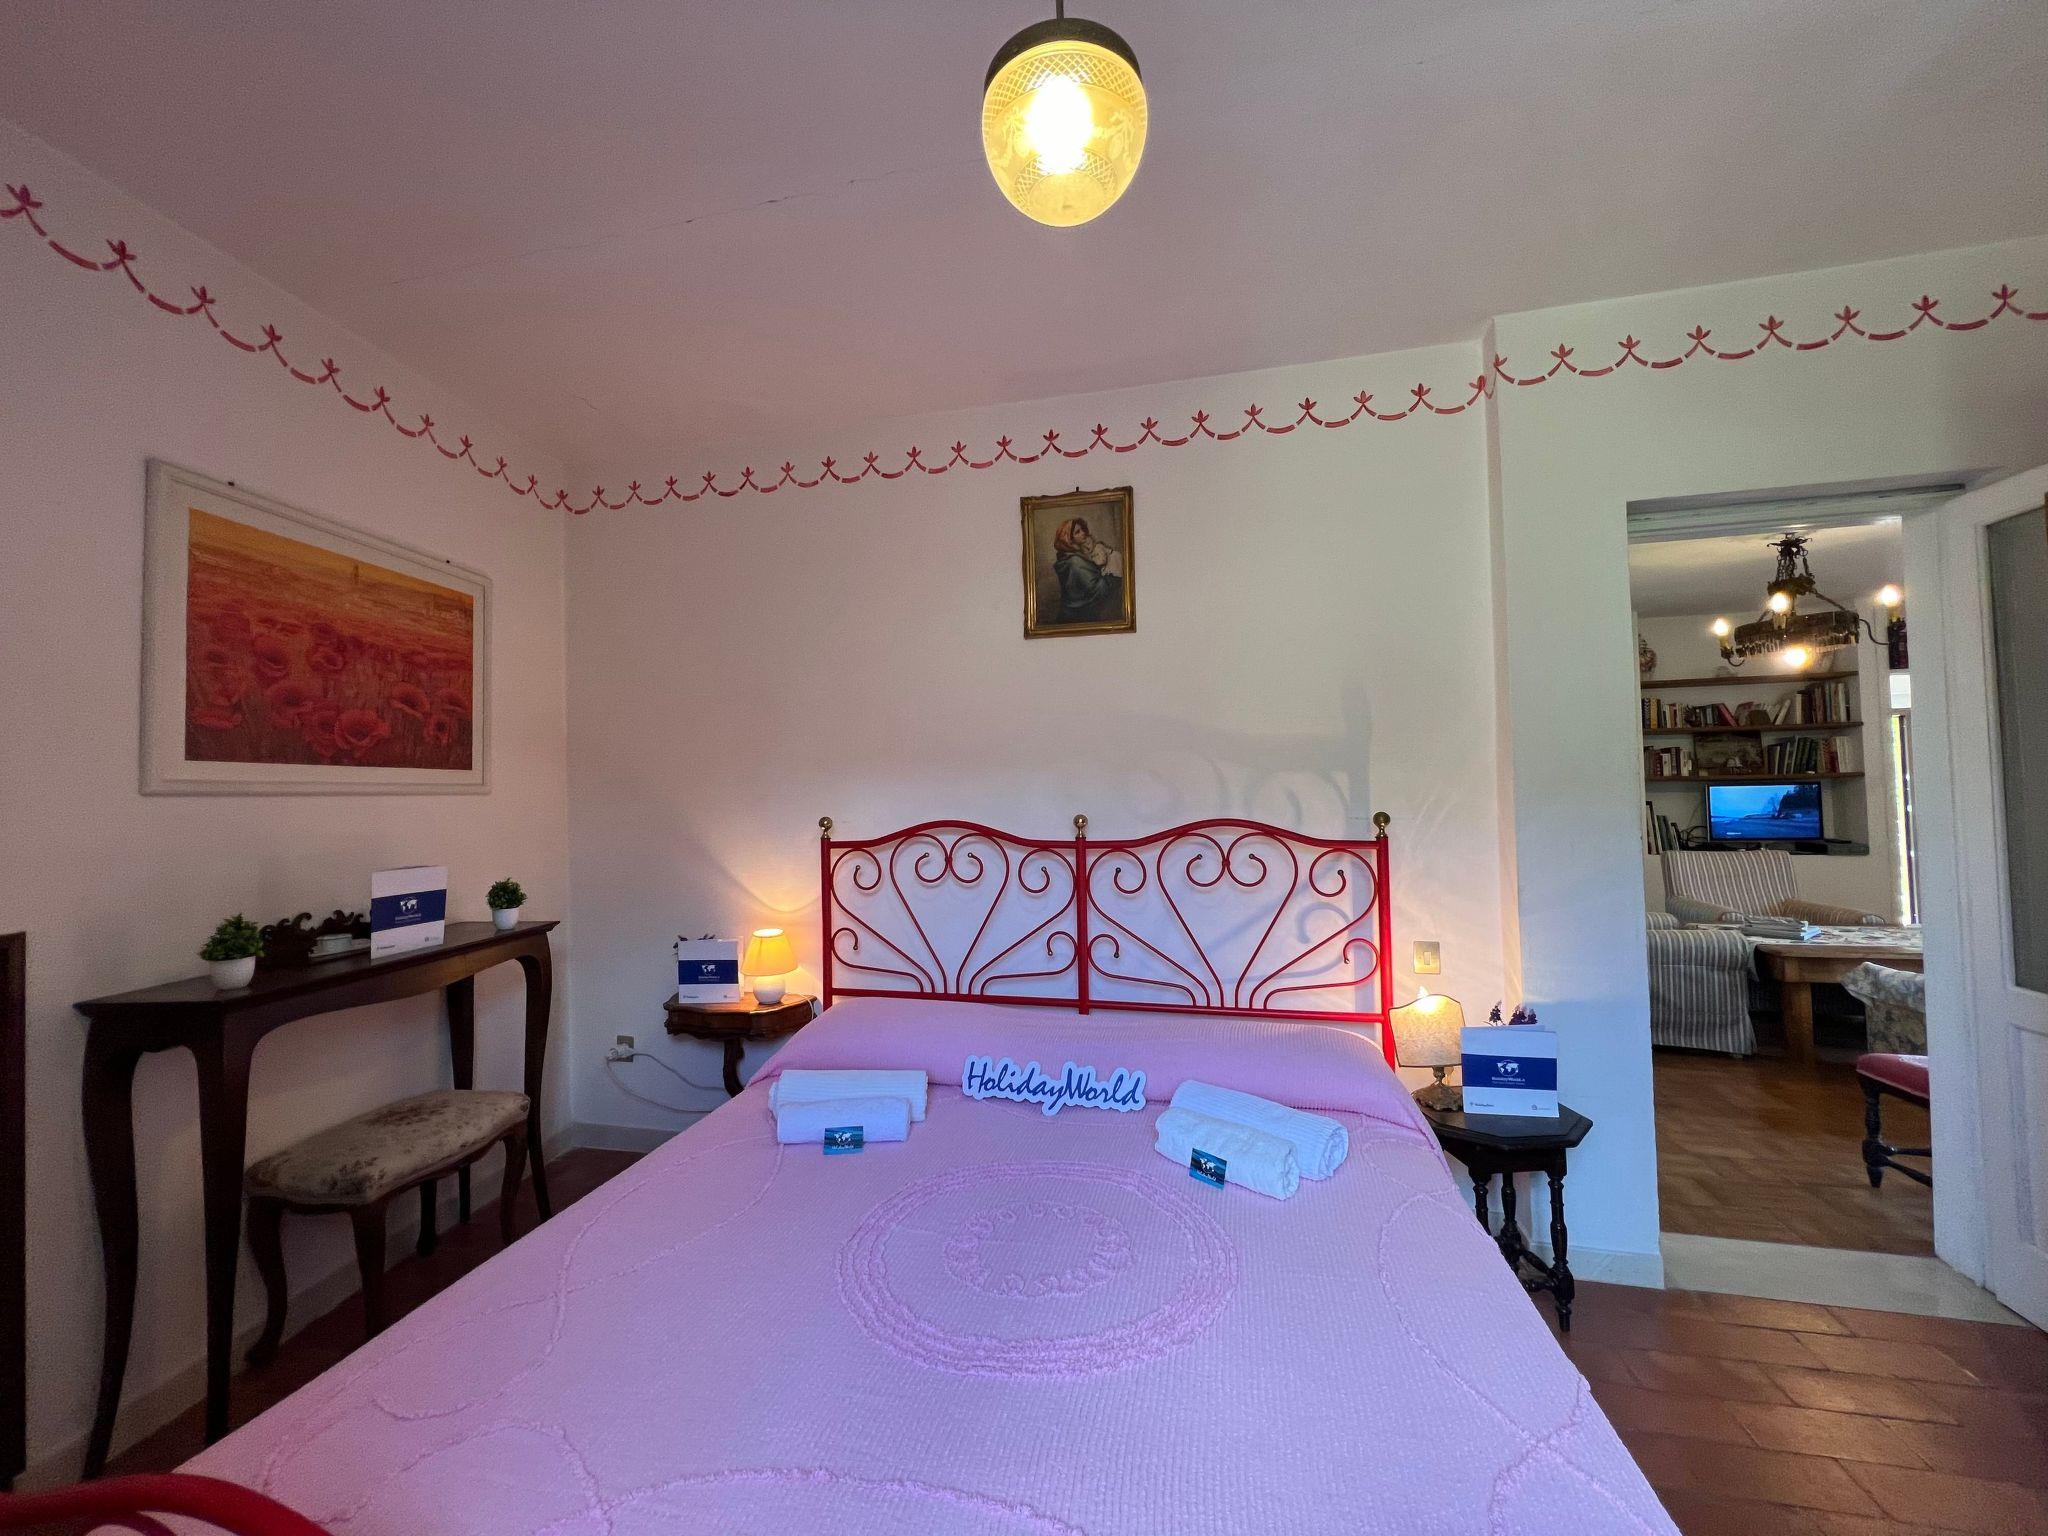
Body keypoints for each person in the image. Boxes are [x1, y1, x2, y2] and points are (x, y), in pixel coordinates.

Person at [1051, 517, 1124, 625]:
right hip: (1079, 617)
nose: (1083, 533)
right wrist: (1114, 577)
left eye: (1082, 529)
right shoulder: (1075, 562)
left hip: (1078, 614)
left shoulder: (1071, 557)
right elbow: (1097, 590)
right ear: (1069, 540)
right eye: (1077, 532)